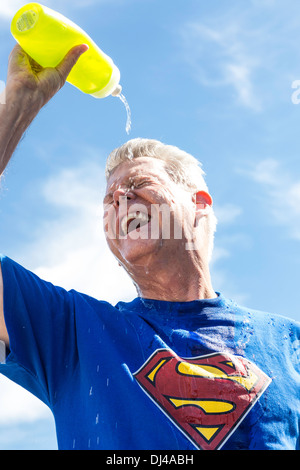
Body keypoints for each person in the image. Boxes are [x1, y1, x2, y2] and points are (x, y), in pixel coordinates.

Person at [0, 44, 299, 452]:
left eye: (138, 185)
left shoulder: (288, 344)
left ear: (199, 205)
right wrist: (18, 104)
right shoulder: (71, 334)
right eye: (109, 200)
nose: (119, 199)